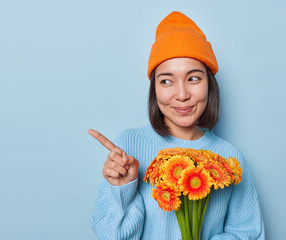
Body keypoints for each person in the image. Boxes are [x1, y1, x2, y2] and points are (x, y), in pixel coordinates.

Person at [88, 11, 265, 240]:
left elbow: (248, 234)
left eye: (193, 78)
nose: (182, 95)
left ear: (209, 85)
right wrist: (123, 190)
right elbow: (110, 236)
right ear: (155, 90)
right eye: (166, 81)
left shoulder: (231, 158)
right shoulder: (127, 147)